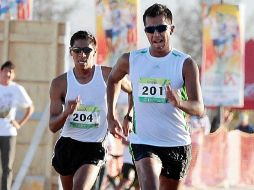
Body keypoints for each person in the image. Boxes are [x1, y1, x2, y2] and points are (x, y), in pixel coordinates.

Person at [106, 3, 204, 190]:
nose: (156, 34)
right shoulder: (131, 60)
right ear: (146, 32)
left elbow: (199, 108)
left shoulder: (185, 63)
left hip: (177, 142)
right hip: (143, 141)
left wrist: (180, 102)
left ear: (171, 29)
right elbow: (113, 80)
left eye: (161, 28)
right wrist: (111, 117)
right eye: (150, 29)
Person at [49, 30, 131, 190]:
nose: (82, 55)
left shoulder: (109, 75)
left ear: (95, 52)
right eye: (77, 51)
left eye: (87, 50)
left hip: (94, 146)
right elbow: (52, 126)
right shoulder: (60, 83)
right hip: (67, 145)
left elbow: (133, 90)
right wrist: (66, 113)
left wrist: (129, 116)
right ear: (71, 52)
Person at [0, 60, 34, 190]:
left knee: (7, 167)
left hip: (9, 133)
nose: (8, 74)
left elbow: (30, 107)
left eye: (11, 72)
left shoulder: (16, 89)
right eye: (6, 71)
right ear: (1, 72)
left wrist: (19, 123)